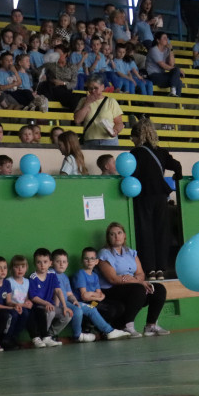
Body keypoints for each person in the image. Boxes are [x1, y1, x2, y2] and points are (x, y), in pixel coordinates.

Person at [130, 118, 183, 280]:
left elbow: (132, 176)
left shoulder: (135, 154)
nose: (131, 140)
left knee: (145, 233)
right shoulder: (160, 152)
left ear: (139, 136)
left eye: (132, 137)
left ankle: (149, 270)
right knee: (161, 233)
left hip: (143, 197)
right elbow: (177, 166)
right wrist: (177, 178)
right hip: (160, 197)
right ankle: (161, 268)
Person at [97, 223, 170, 338]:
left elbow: (140, 273)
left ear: (124, 235)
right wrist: (138, 282)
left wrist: (136, 280)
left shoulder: (130, 252)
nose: (116, 236)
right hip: (111, 290)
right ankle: (127, 325)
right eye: (112, 234)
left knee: (158, 289)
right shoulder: (104, 254)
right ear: (108, 238)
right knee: (138, 289)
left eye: (119, 233)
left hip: (133, 287)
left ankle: (151, 325)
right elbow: (113, 279)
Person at [27, 248, 68, 348]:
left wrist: (65, 306)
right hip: (40, 307)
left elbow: (59, 290)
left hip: (52, 305)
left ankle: (49, 336)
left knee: (68, 314)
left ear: (50, 263)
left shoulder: (52, 275)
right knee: (51, 311)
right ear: (34, 263)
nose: (42, 265)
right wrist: (46, 303)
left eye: (45, 262)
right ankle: (44, 336)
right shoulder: (33, 277)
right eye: (39, 262)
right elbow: (33, 297)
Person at [73, 75, 124, 148]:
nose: (93, 91)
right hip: (90, 140)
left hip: (109, 141)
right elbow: (77, 120)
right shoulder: (83, 101)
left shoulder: (111, 101)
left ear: (102, 87)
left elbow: (119, 123)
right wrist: (87, 104)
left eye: (96, 88)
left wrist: (115, 131)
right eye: (90, 89)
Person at [146, 31, 184, 97]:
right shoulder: (154, 50)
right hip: (153, 75)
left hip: (162, 75)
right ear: (158, 40)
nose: (166, 40)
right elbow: (163, 66)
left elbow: (171, 64)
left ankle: (177, 103)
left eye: (167, 38)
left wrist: (170, 50)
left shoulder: (166, 50)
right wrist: (178, 70)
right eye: (164, 38)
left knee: (179, 81)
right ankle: (173, 92)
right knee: (177, 73)